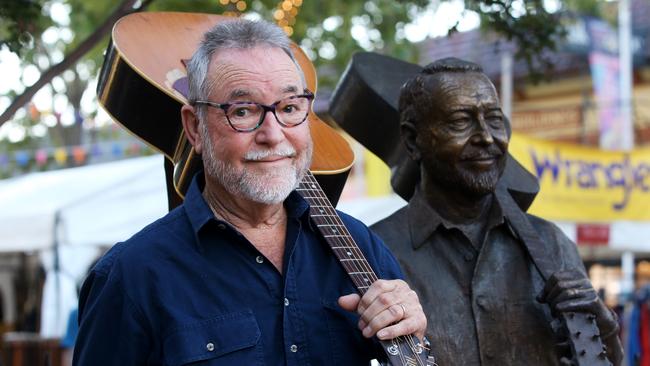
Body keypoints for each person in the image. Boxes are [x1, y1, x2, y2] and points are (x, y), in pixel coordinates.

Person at [73, 19, 427, 366]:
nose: (273, 135)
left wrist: (412, 337)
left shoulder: (361, 246)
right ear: (195, 128)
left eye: (289, 108)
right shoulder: (131, 277)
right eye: (243, 111)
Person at [371, 57, 623, 365]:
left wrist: (603, 329)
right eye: (461, 122)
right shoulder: (373, 251)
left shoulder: (551, 244)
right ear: (413, 140)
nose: (487, 138)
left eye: (494, 119)